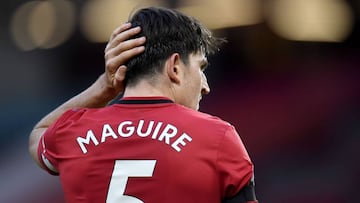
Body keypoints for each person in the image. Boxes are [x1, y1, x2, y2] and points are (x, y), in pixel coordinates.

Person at [29, 7, 258, 203]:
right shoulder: (218, 137)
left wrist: (103, 88)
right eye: (201, 68)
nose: (205, 86)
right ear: (175, 66)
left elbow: (37, 135)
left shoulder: (72, 131)